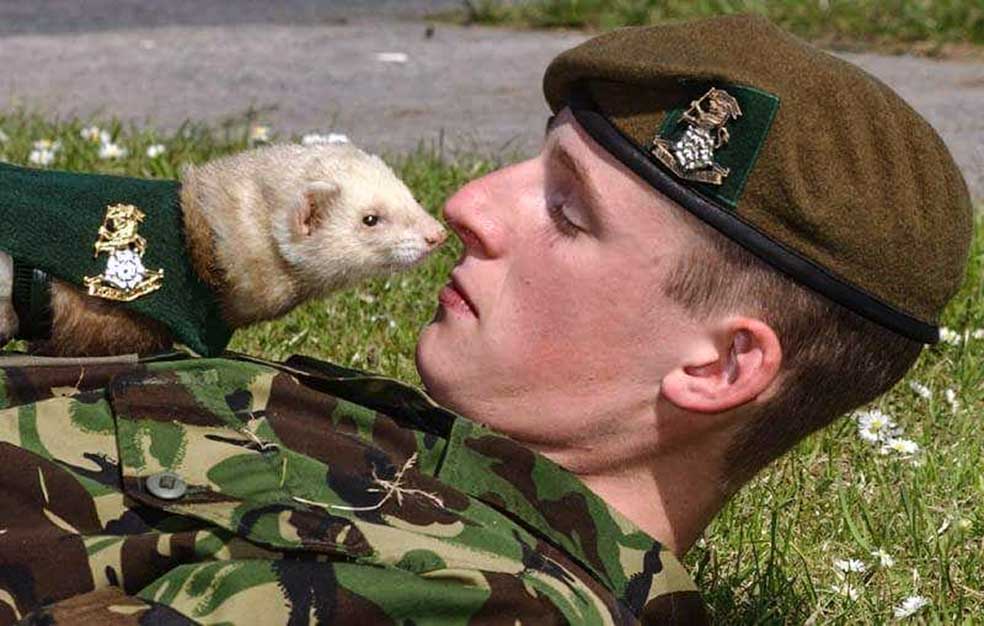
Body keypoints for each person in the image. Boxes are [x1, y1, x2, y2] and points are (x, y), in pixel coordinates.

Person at [0, 14, 972, 626]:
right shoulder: (430, 456)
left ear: (719, 366)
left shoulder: (476, 599)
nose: (466, 204)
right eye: (530, 161)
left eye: (568, 211)